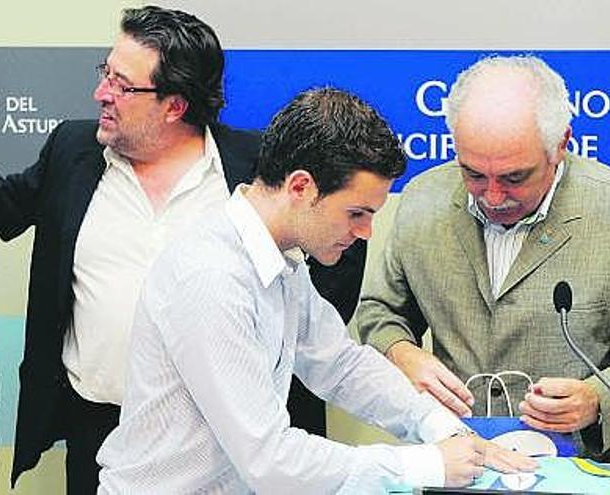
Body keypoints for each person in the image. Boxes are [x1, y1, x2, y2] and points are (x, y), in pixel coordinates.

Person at [0, 6, 362, 492]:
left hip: (221, 446)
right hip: (98, 435)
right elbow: (0, 206)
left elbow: (337, 241)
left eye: (122, 85)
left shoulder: (256, 166)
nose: (102, 93)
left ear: (174, 104)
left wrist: (282, 334)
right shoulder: (72, 151)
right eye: (106, 74)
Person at [97, 87, 535, 493]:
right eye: (357, 213)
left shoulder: (280, 257)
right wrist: (423, 465)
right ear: (301, 187)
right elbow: (268, 459)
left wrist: (436, 424)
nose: (365, 233)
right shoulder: (212, 279)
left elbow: (339, 364)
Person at [357, 55, 610, 464]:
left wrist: (599, 398)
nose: (491, 196)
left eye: (514, 177)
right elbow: (381, 310)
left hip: (585, 469)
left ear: (560, 144)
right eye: (472, 174)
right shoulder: (422, 201)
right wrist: (401, 350)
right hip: (460, 461)